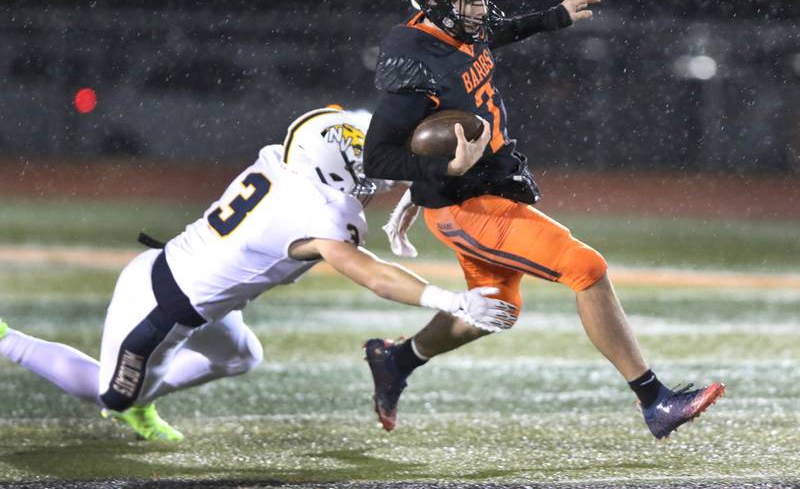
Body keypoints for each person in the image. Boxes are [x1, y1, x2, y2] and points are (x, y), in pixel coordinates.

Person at [361, 0, 724, 439]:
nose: (482, 10)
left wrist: (553, 17)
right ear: (440, 0)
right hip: (465, 206)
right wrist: (440, 171)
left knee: (496, 308)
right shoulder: (414, 57)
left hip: (489, 187)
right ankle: (655, 400)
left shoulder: (460, 30)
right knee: (587, 268)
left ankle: (396, 359)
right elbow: (376, 157)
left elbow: (492, 35)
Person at [0, 106, 517, 442]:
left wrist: (415, 183)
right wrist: (449, 301)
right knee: (108, 396)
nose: (375, 179)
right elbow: (374, 275)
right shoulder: (322, 214)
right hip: (161, 308)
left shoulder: (289, 157)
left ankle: (140, 396)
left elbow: (361, 132)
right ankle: (10, 341)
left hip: (194, 287)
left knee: (242, 356)